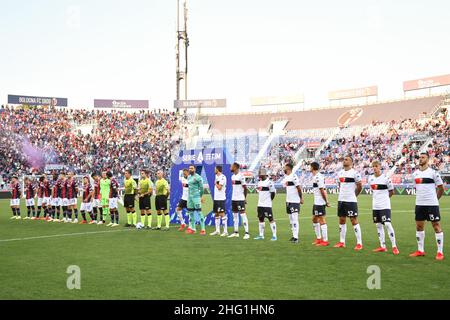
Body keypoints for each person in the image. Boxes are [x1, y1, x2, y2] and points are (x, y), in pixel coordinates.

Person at [410, 152, 445, 260]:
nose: (420, 159)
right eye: (419, 157)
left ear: (428, 159)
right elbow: (417, 188)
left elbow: (441, 188)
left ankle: (440, 252)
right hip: (419, 204)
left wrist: (435, 200)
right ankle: (420, 250)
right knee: (419, 226)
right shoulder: (415, 174)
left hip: (432, 204)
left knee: (436, 226)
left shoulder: (433, 173)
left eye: (423, 157)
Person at [368, 160, 399, 255]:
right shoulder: (370, 179)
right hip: (375, 206)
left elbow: (392, 192)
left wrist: (385, 199)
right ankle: (382, 246)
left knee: (387, 224)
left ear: (380, 167)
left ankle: (394, 246)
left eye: (376, 166)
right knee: (378, 225)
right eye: (373, 166)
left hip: (385, 205)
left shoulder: (386, 178)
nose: (374, 168)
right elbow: (373, 191)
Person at [334, 155, 363, 250]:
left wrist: (354, 196)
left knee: (353, 220)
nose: (344, 161)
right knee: (341, 220)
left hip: (351, 200)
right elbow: (339, 185)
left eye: (346, 159)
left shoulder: (355, 173)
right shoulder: (340, 173)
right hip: (341, 200)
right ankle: (342, 242)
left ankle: (359, 243)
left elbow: (359, 186)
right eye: (344, 159)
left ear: (351, 162)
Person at [254, 168, 277, 241]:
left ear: (264, 174)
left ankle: (274, 235)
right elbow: (258, 191)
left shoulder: (269, 182)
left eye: (260, 174)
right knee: (261, 219)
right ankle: (261, 235)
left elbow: (273, 193)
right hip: (260, 204)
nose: (259, 175)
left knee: (271, 219)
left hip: (267, 205)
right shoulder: (259, 182)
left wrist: (270, 200)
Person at [310, 162, 330, 246]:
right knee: (314, 219)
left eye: (310, 167)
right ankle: (318, 238)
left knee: (321, 219)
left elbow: (322, 190)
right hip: (316, 202)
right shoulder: (315, 177)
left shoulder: (318, 177)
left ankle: (325, 241)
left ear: (313, 167)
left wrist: (326, 201)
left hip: (320, 202)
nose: (309, 168)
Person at [228, 162, 250, 239]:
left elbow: (245, 188)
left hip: (240, 198)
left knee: (243, 215)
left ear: (236, 167)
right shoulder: (232, 176)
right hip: (234, 198)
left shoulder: (241, 176)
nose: (230, 167)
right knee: (235, 216)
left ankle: (247, 233)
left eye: (232, 166)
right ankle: (236, 232)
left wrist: (244, 198)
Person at [283, 163, 303, 244]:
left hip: (295, 201)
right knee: (291, 219)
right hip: (288, 201)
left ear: (288, 168)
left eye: (285, 168)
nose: (283, 169)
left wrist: (301, 198)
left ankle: (296, 237)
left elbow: (298, 188)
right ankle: (293, 235)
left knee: (295, 219)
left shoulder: (294, 176)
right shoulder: (286, 177)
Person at [185, 165, 206, 235]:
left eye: (192, 168)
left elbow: (202, 188)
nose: (190, 169)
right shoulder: (188, 177)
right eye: (189, 168)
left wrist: (200, 196)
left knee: (199, 212)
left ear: (195, 169)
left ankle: (203, 229)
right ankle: (193, 229)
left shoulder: (198, 177)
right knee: (191, 213)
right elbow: (189, 186)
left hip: (196, 197)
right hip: (190, 198)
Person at [210, 165, 228, 237]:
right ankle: (217, 231)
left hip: (221, 198)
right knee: (216, 214)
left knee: (222, 214)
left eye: (215, 169)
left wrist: (215, 183)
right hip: (216, 198)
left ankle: (225, 231)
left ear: (217, 170)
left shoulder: (222, 177)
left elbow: (219, 188)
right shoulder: (217, 177)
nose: (214, 170)